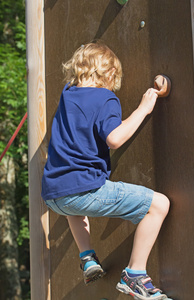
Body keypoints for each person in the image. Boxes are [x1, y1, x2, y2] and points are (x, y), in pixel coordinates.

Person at [41, 42, 170, 299]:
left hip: (54, 195)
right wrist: (143, 109)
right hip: (83, 189)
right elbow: (114, 138)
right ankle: (135, 274)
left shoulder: (68, 94)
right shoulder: (105, 97)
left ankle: (87, 256)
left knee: (74, 206)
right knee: (159, 205)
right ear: (110, 74)